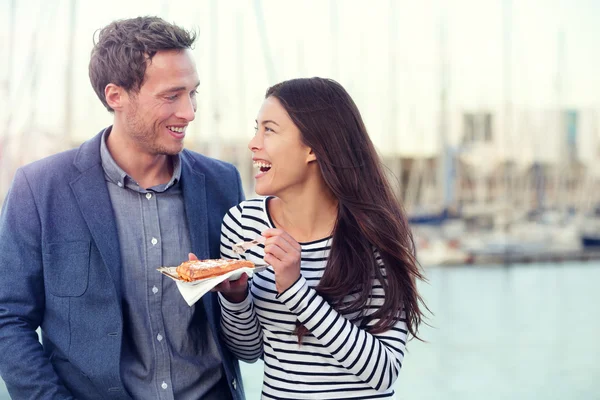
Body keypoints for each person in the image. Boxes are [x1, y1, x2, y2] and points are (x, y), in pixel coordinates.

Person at [0, 16, 245, 400]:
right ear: (115, 96)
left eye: (192, 93)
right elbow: (8, 319)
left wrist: (236, 296)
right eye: (171, 96)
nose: (189, 112)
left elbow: (243, 331)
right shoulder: (39, 188)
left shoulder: (222, 183)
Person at [216, 77, 427, 399]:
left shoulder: (374, 230)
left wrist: (295, 289)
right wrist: (235, 298)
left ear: (313, 147)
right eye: (256, 128)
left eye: (269, 130)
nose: (253, 143)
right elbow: (248, 351)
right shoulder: (243, 224)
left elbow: (383, 372)